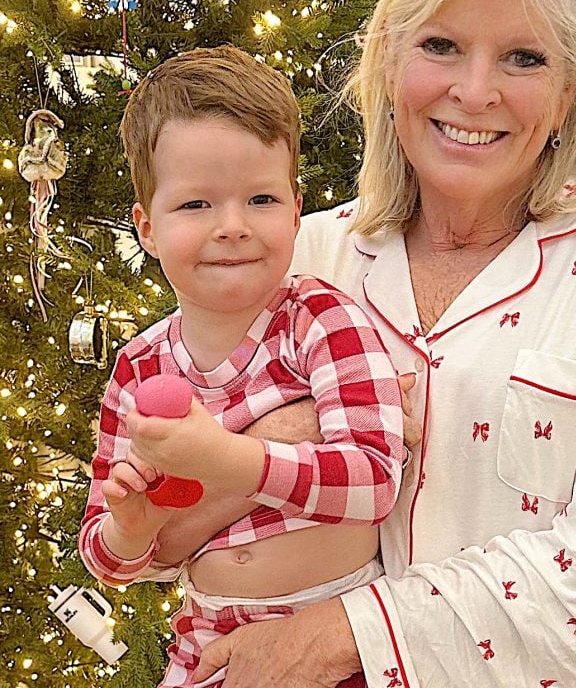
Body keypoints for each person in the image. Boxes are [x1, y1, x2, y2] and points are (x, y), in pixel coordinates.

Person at [161, 0, 576, 688]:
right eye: (442, 45)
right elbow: (158, 535)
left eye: (525, 58)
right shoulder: (305, 254)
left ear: (570, 89)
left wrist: (342, 632)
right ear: (390, 60)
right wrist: (298, 426)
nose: (476, 90)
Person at [79, 46, 404, 688]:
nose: (232, 226)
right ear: (146, 227)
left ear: (295, 206)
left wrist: (224, 460)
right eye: (196, 205)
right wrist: (130, 529)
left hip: (339, 650)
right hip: (209, 651)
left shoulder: (320, 318)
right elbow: (108, 559)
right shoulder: (137, 370)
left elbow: (373, 480)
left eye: (260, 198)